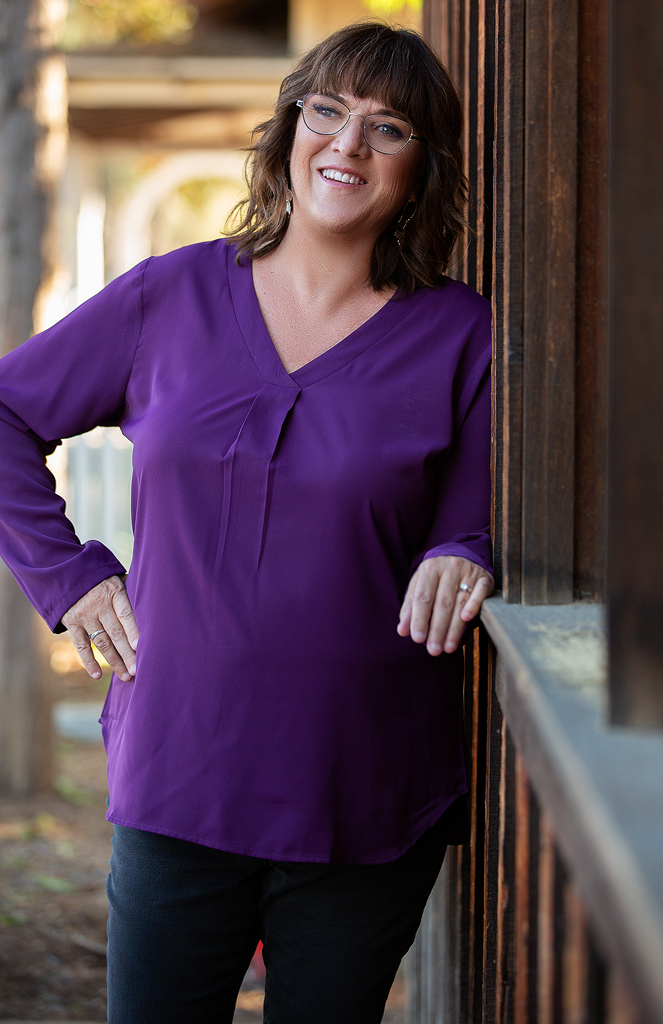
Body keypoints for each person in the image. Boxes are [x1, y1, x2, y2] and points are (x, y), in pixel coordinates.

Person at [0, 21, 494, 1024]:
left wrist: (463, 550)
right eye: (328, 112)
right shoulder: (170, 296)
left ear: (422, 165)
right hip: (182, 767)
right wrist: (68, 574)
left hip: (362, 787)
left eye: (387, 127)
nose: (348, 146)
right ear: (291, 129)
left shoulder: (462, 336)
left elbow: (476, 517)